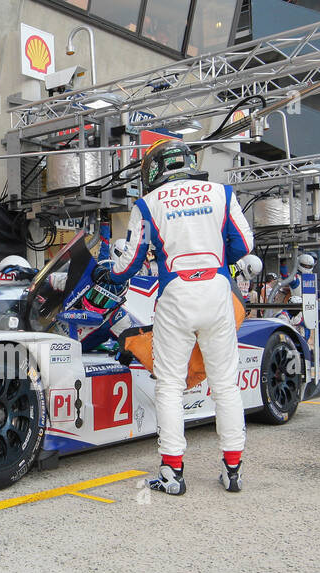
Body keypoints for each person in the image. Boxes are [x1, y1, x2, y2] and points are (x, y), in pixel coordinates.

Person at [106, 137, 252, 495]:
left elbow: (126, 267)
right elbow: (244, 245)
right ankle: (233, 470)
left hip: (176, 296)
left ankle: (172, 474)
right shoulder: (222, 193)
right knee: (226, 387)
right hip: (217, 291)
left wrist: (114, 265)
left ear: (154, 170)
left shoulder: (147, 203)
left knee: (169, 386)